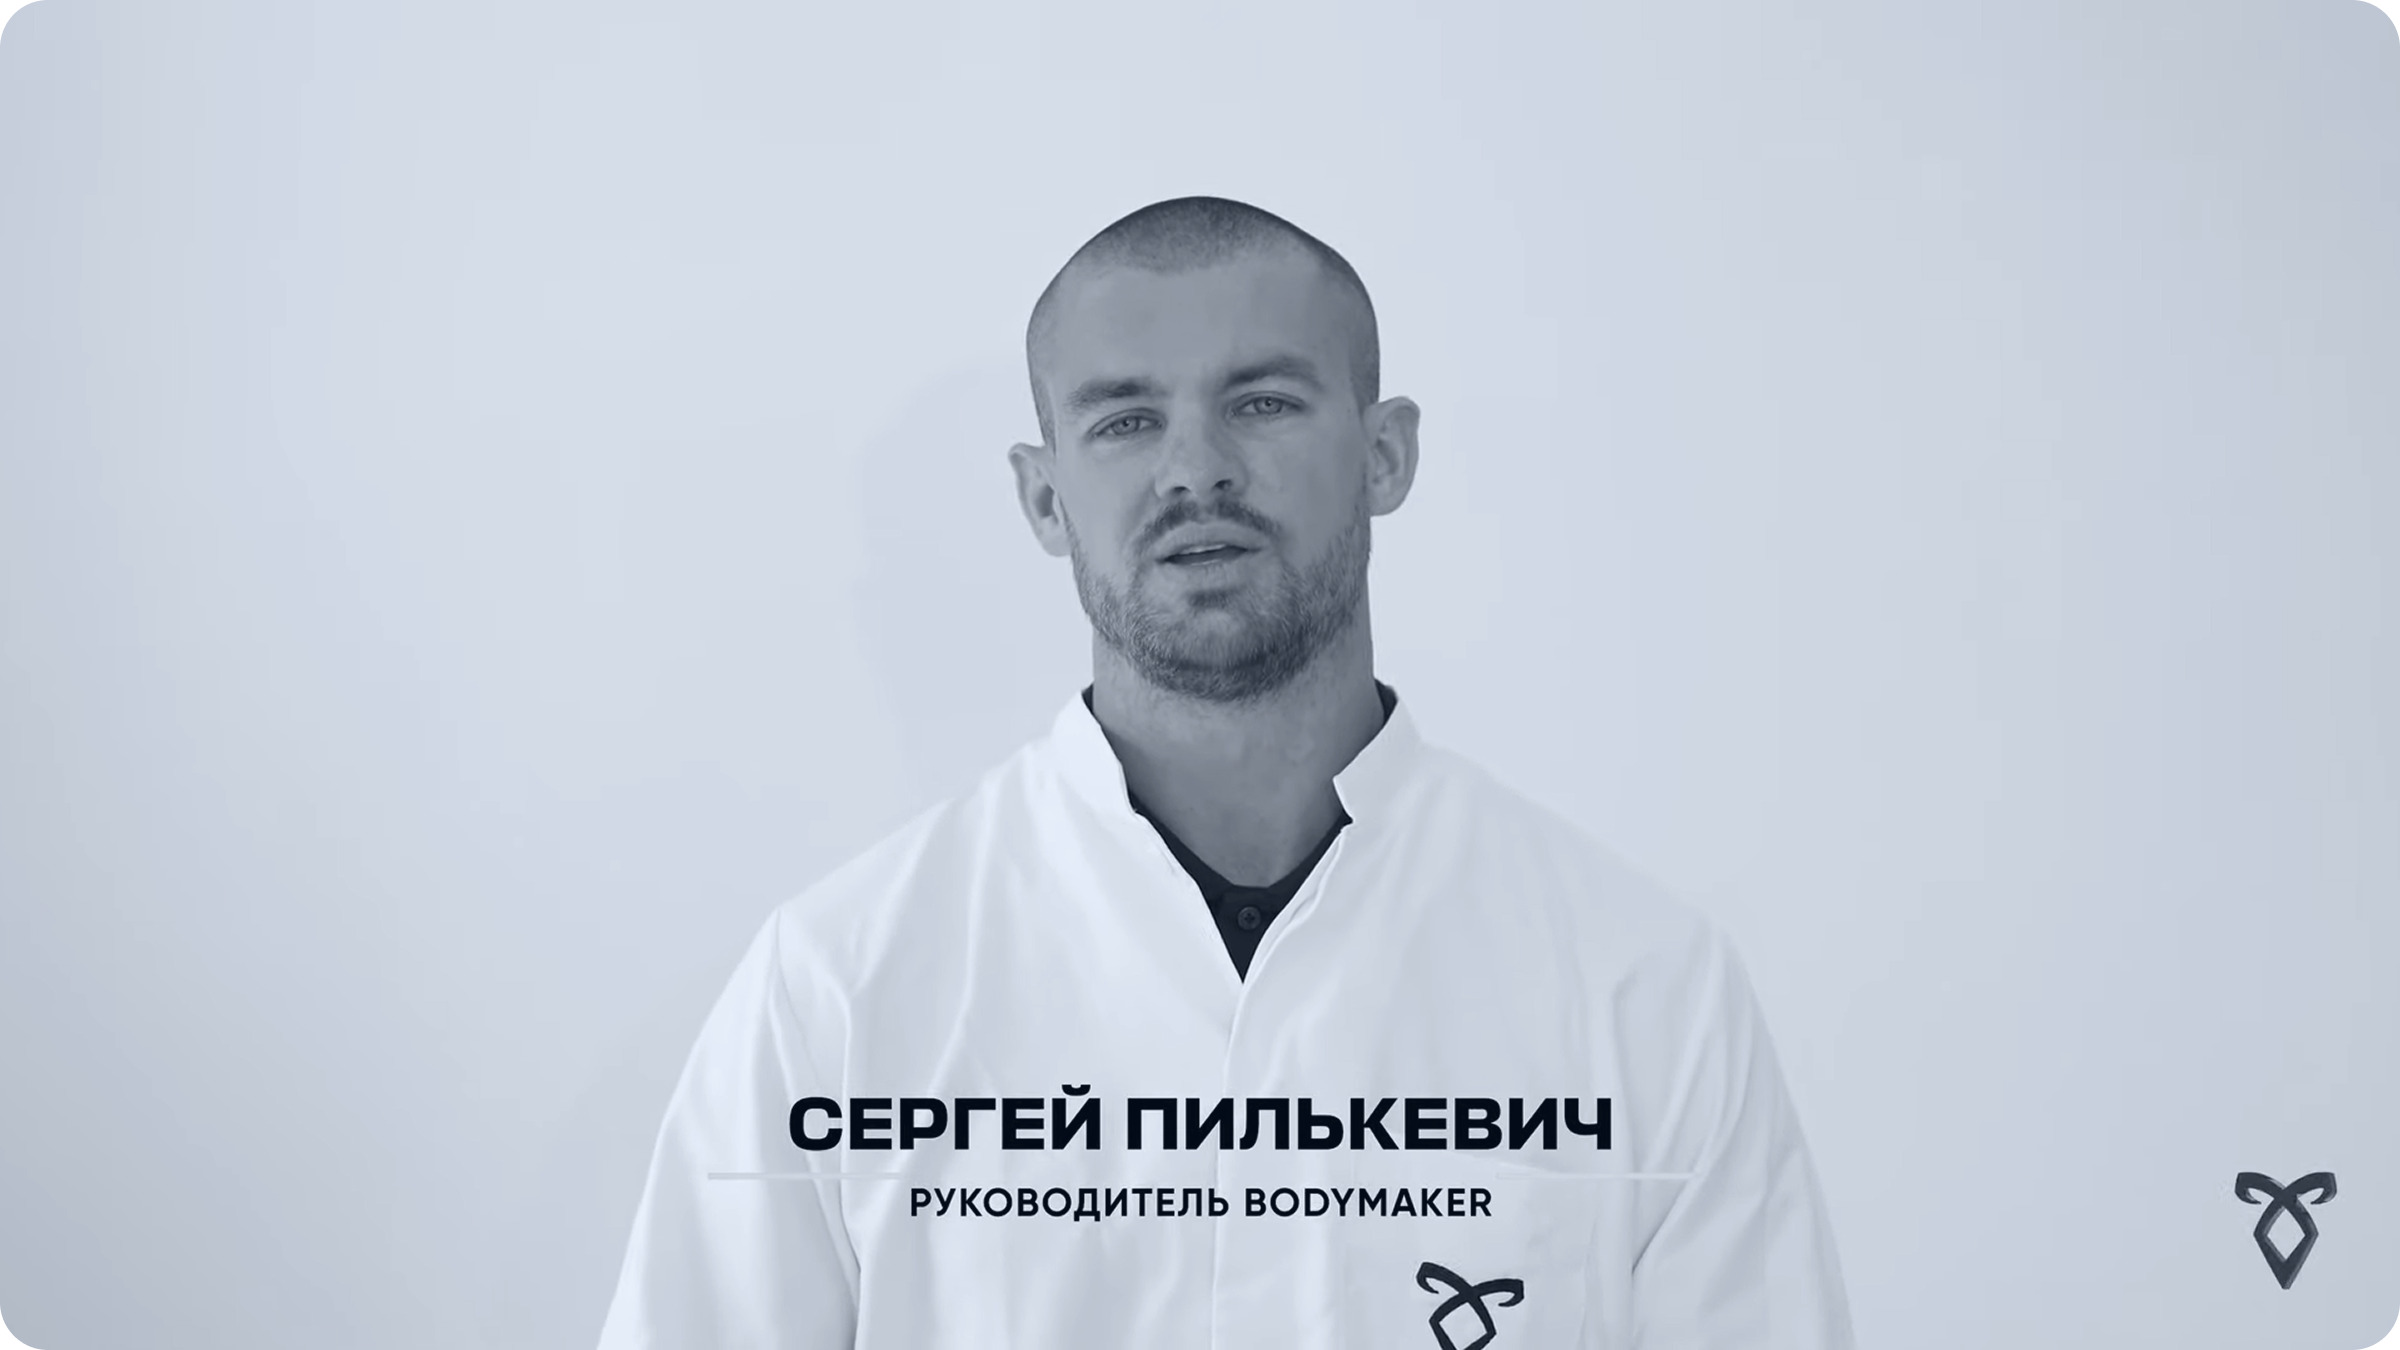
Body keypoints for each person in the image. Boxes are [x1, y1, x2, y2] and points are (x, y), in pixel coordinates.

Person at [595, 196, 1856, 1349]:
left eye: (1262, 402)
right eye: (1124, 419)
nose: (1195, 468)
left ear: (1385, 455)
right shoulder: (841, 989)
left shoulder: (1641, 989)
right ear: (1044, 500)